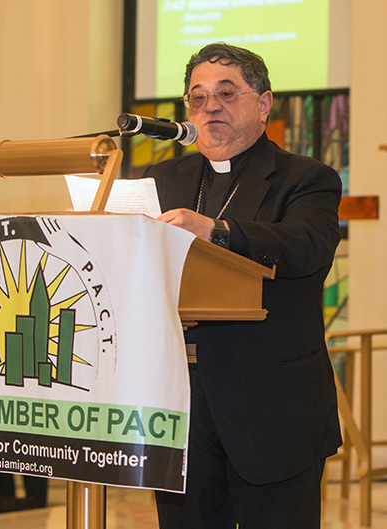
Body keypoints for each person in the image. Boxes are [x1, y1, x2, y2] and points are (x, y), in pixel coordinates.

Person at [143, 43, 343, 529]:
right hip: (177, 405)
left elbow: (307, 246)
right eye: (197, 96)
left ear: (264, 103)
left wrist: (215, 229)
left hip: (270, 406)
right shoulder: (162, 176)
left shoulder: (306, 178)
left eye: (227, 93)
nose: (210, 106)